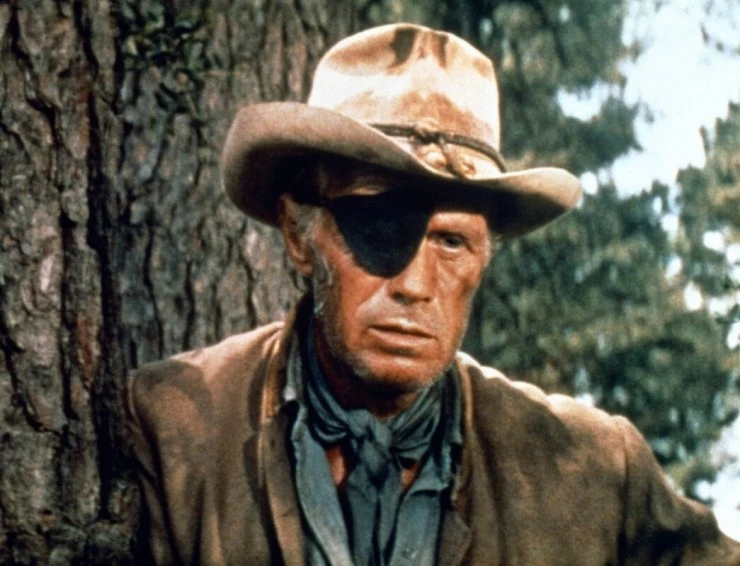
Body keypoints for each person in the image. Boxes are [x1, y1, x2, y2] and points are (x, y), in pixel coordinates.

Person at [126, 23, 740, 565]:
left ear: (484, 258)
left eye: (451, 242)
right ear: (298, 235)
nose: (415, 286)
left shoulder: (593, 471)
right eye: (377, 228)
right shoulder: (175, 428)